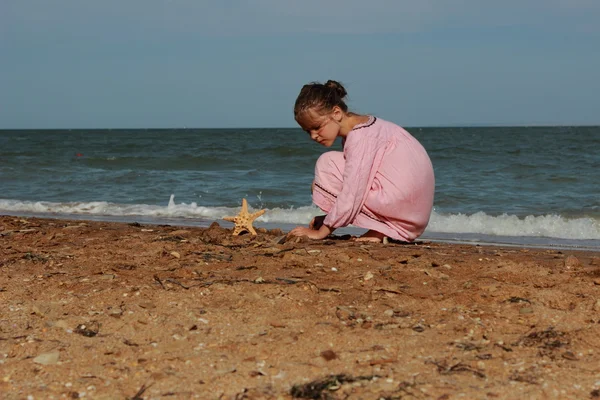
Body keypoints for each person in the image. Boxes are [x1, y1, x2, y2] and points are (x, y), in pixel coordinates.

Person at [288, 80, 435, 243]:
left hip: (403, 212)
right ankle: (380, 229)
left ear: (336, 113)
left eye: (317, 127)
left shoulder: (360, 138)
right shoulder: (369, 126)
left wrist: (321, 232)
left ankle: (384, 229)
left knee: (327, 165)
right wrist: (330, 218)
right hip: (413, 213)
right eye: (308, 131)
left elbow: (353, 193)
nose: (313, 136)